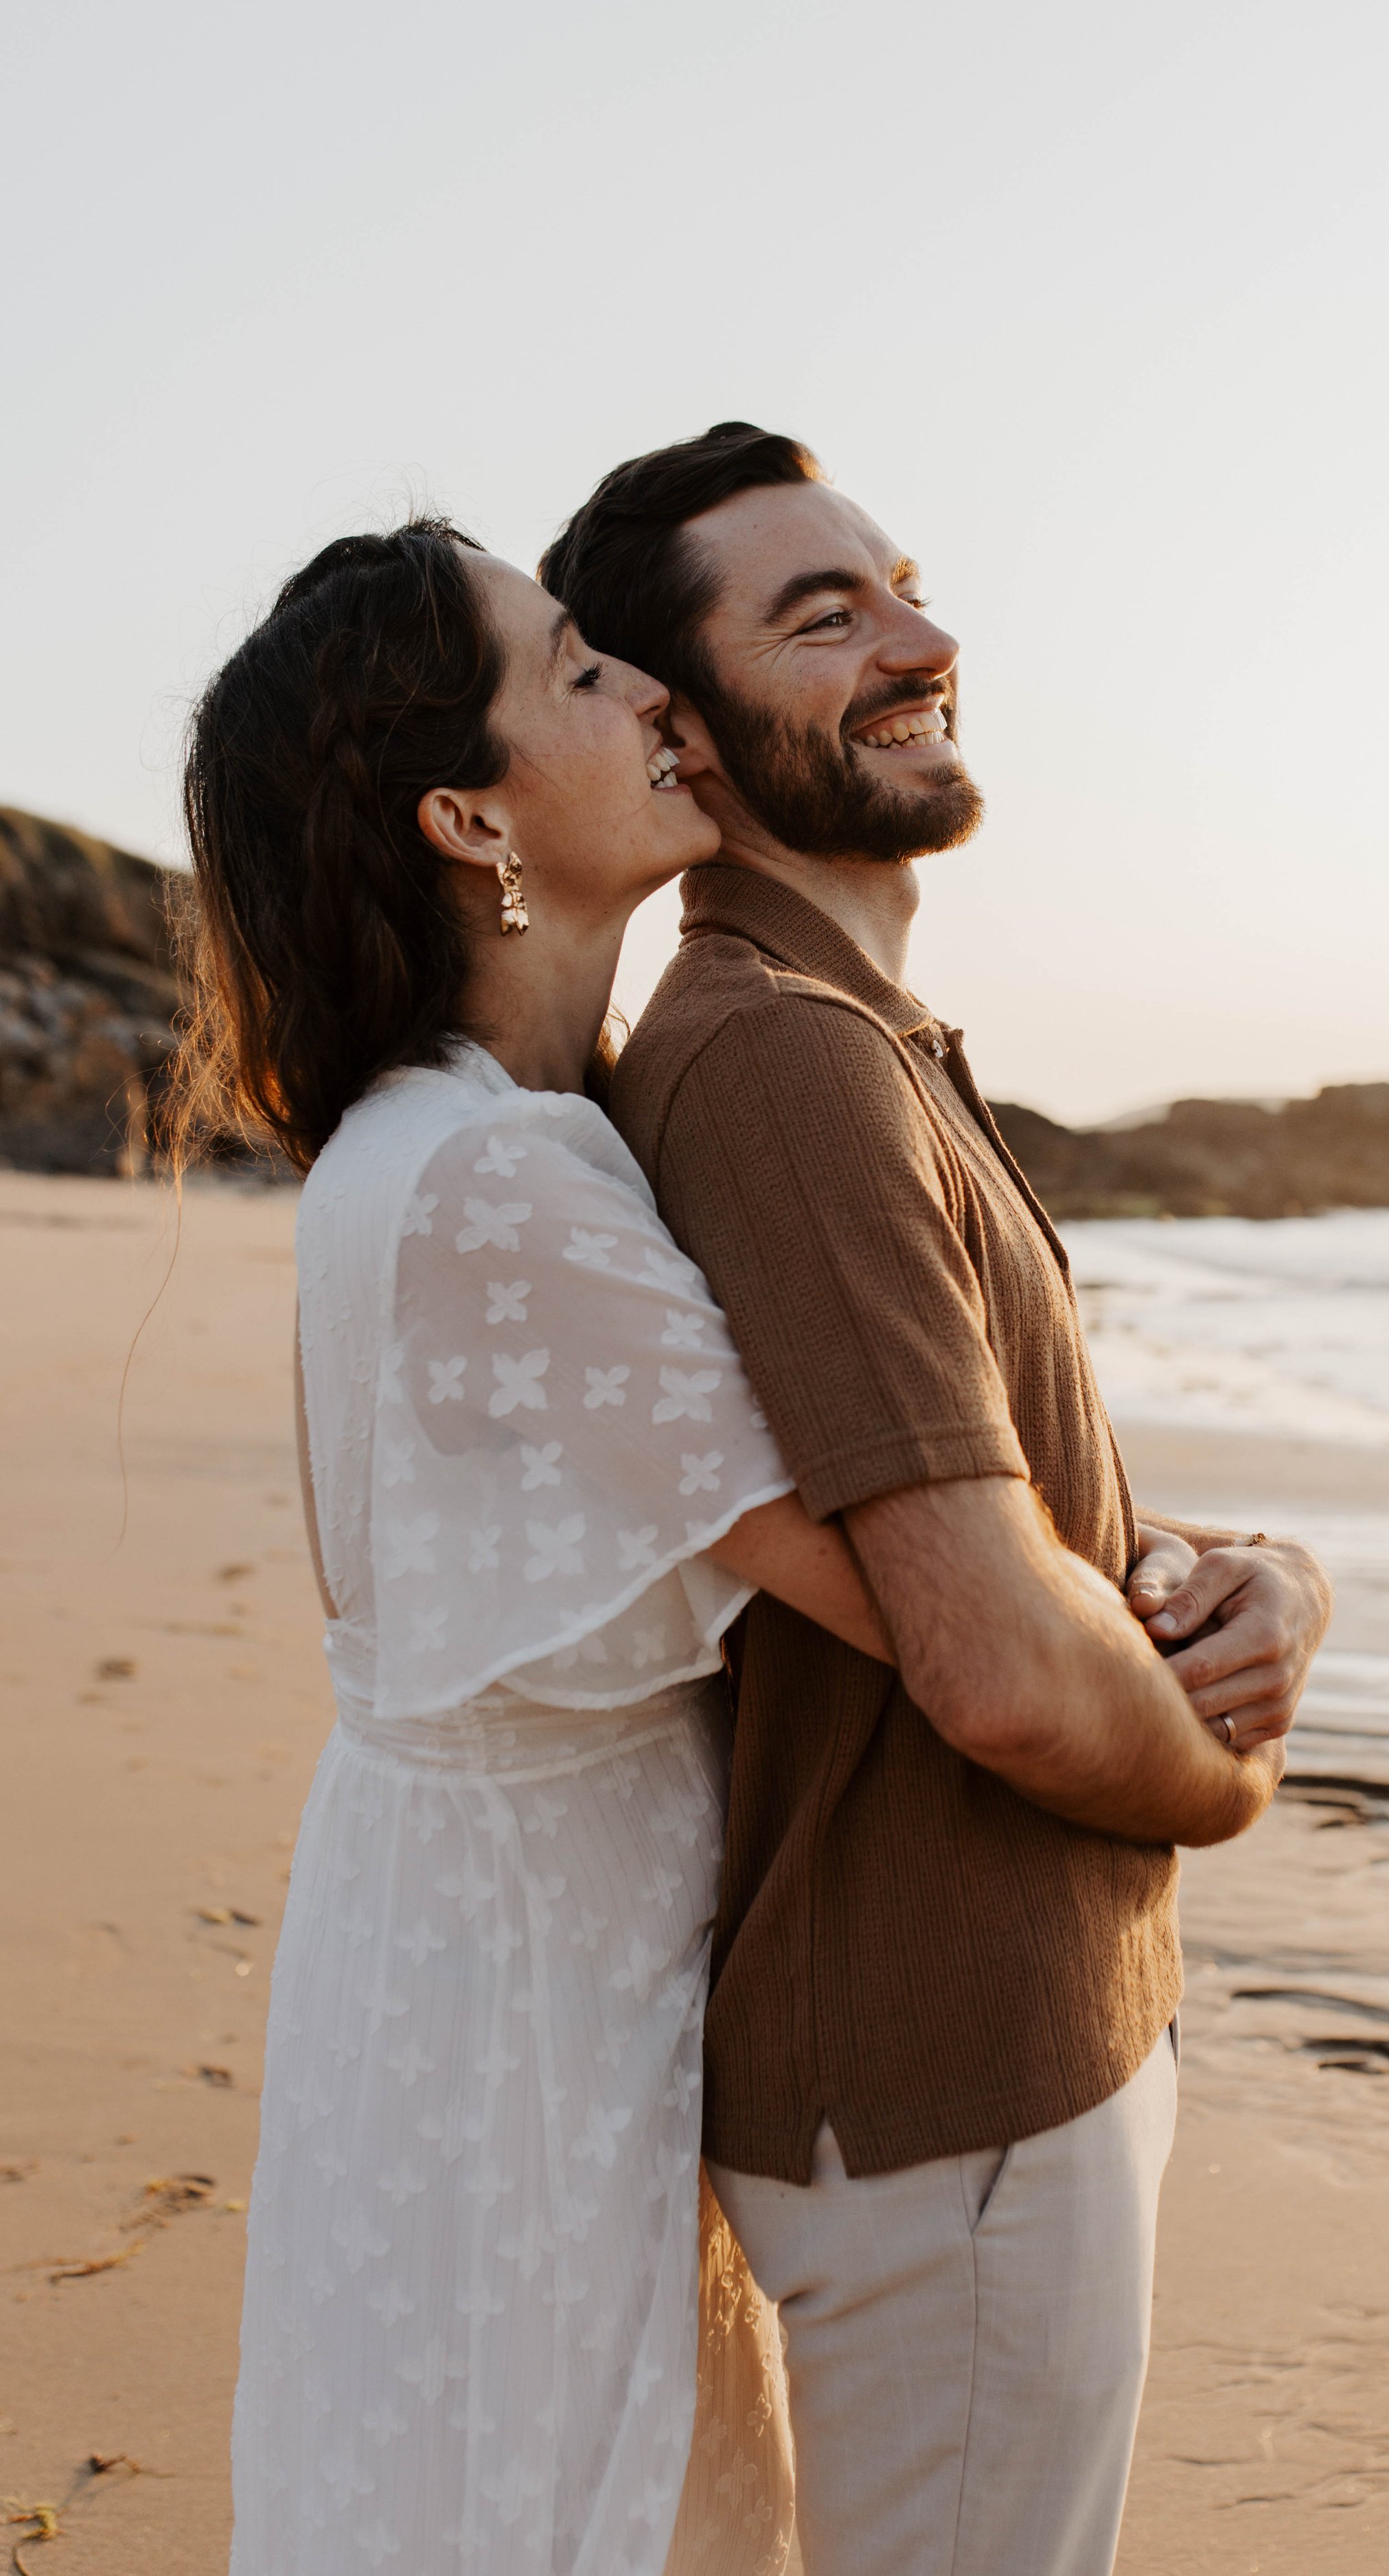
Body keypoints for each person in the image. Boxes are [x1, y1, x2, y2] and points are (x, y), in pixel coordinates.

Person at [540, 424, 1334, 2576]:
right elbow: (989, 1663)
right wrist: (1238, 1782)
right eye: (824, 619)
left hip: (996, 2048)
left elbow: (1011, 1524)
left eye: (899, 585)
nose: (922, 644)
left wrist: (1255, 1577)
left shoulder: (857, 1039)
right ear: (674, 733)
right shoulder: (785, 1058)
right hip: (952, 2079)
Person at [176, 521, 906, 2576]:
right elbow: (890, 1581)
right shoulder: (498, 1173)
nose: (656, 696)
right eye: (581, 670)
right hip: (524, 1994)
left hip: (472, 1940)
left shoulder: (450, 1131)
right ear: (465, 814)